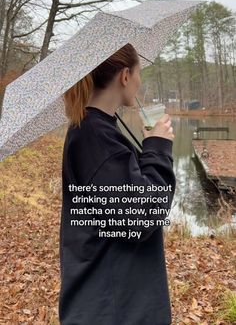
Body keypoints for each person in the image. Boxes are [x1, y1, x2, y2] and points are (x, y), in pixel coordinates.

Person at [59, 43, 176, 325]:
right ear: (125, 76)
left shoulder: (97, 130)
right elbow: (142, 215)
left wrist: (148, 149)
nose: (139, 81)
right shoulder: (95, 137)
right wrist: (158, 148)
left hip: (110, 300)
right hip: (113, 307)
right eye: (139, 73)